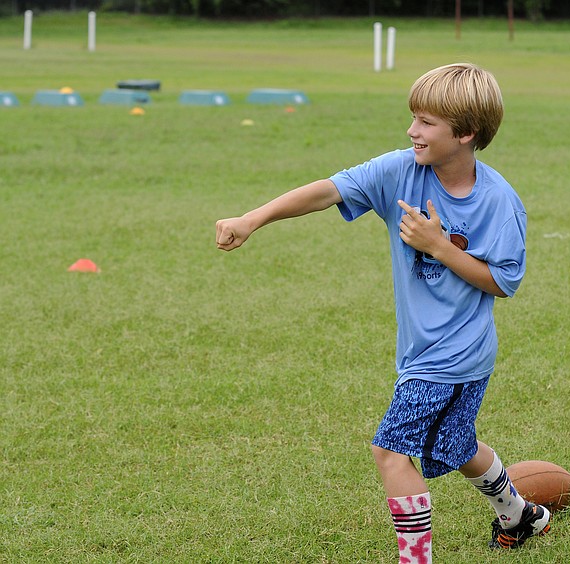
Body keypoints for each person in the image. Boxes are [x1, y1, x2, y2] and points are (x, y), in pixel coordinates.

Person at [215, 63, 550, 562]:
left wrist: (439, 246)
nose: (412, 130)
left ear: (465, 133)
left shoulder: (500, 202)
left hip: (454, 355)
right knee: (456, 445)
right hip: (429, 353)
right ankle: (521, 515)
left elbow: (503, 281)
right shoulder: (401, 170)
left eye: (426, 122)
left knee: (390, 452)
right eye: (413, 118)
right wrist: (252, 218)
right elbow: (328, 189)